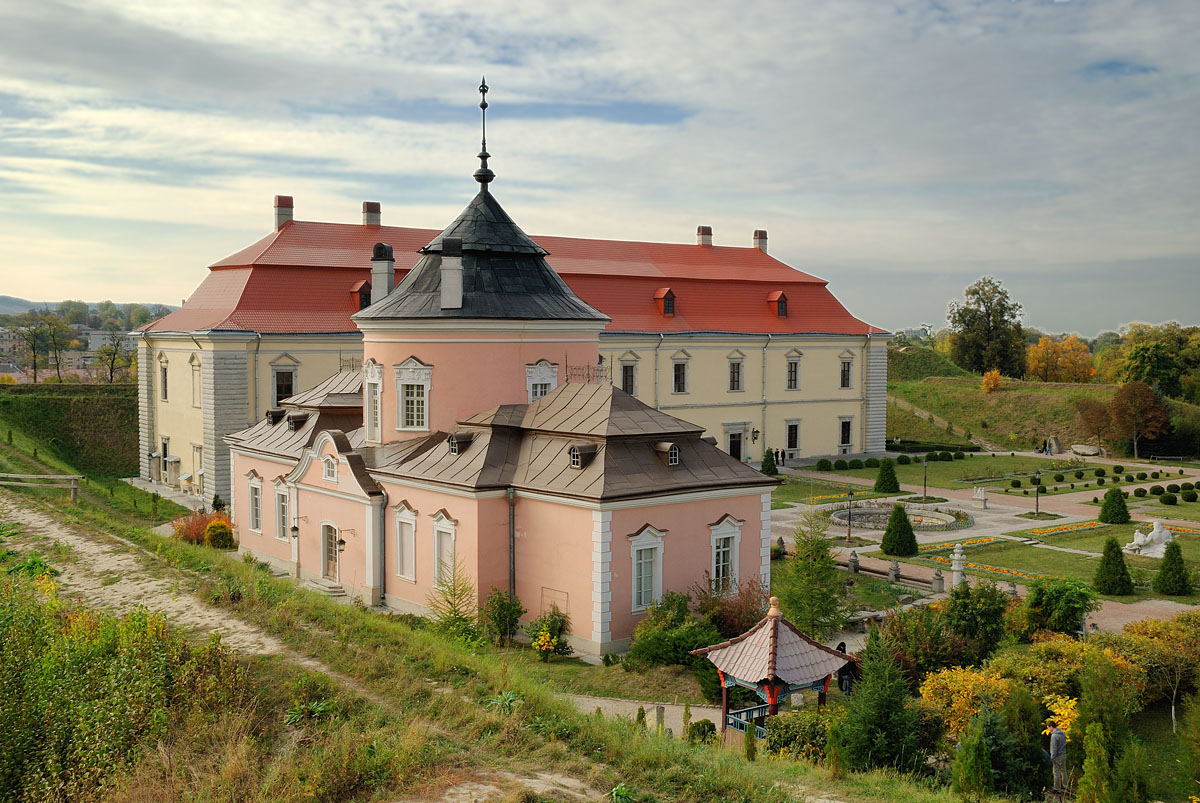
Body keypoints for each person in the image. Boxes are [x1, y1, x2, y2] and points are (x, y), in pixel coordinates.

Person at [1048, 719, 1067, 795]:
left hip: (1057, 756)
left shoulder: (1054, 736)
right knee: (1063, 770)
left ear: (1051, 726)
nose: (1048, 729)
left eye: (1048, 727)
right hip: (1063, 754)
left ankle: (1057, 788)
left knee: (1056, 772)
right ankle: (1065, 786)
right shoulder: (1062, 733)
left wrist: (1052, 757)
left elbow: (1054, 748)